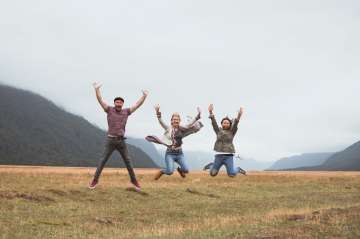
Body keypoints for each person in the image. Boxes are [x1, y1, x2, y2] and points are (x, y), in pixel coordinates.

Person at [89, 82, 148, 190]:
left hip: (121, 141)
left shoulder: (126, 111)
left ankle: (134, 181)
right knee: (102, 161)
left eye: (120, 101)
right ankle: (95, 180)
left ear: (122, 103)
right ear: (114, 103)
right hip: (110, 140)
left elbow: (137, 105)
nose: (118, 103)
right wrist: (97, 89)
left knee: (128, 161)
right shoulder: (109, 110)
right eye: (117, 101)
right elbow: (100, 100)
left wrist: (144, 96)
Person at [146, 105, 203, 180]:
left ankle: (180, 170)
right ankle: (162, 171)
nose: (175, 121)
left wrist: (198, 115)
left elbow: (191, 123)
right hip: (170, 154)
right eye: (174, 119)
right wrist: (158, 113)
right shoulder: (168, 128)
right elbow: (161, 122)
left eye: (177, 119)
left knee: (186, 170)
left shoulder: (183, 128)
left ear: (179, 121)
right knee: (170, 171)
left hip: (179, 154)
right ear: (171, 121)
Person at [203, 104, 246, 177]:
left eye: (227, 123)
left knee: (231, 174)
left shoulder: (232, 132)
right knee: (213, 174)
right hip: (218, 156)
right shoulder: (218, 131)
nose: (226, 124)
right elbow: (214, 123)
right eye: (224, 122)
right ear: (222, 123)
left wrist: (239, 115)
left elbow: (235, 123)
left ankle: (238, 169)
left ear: (230, 124)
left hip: (228, 156)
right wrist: (210, 112)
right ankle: (211, 166)